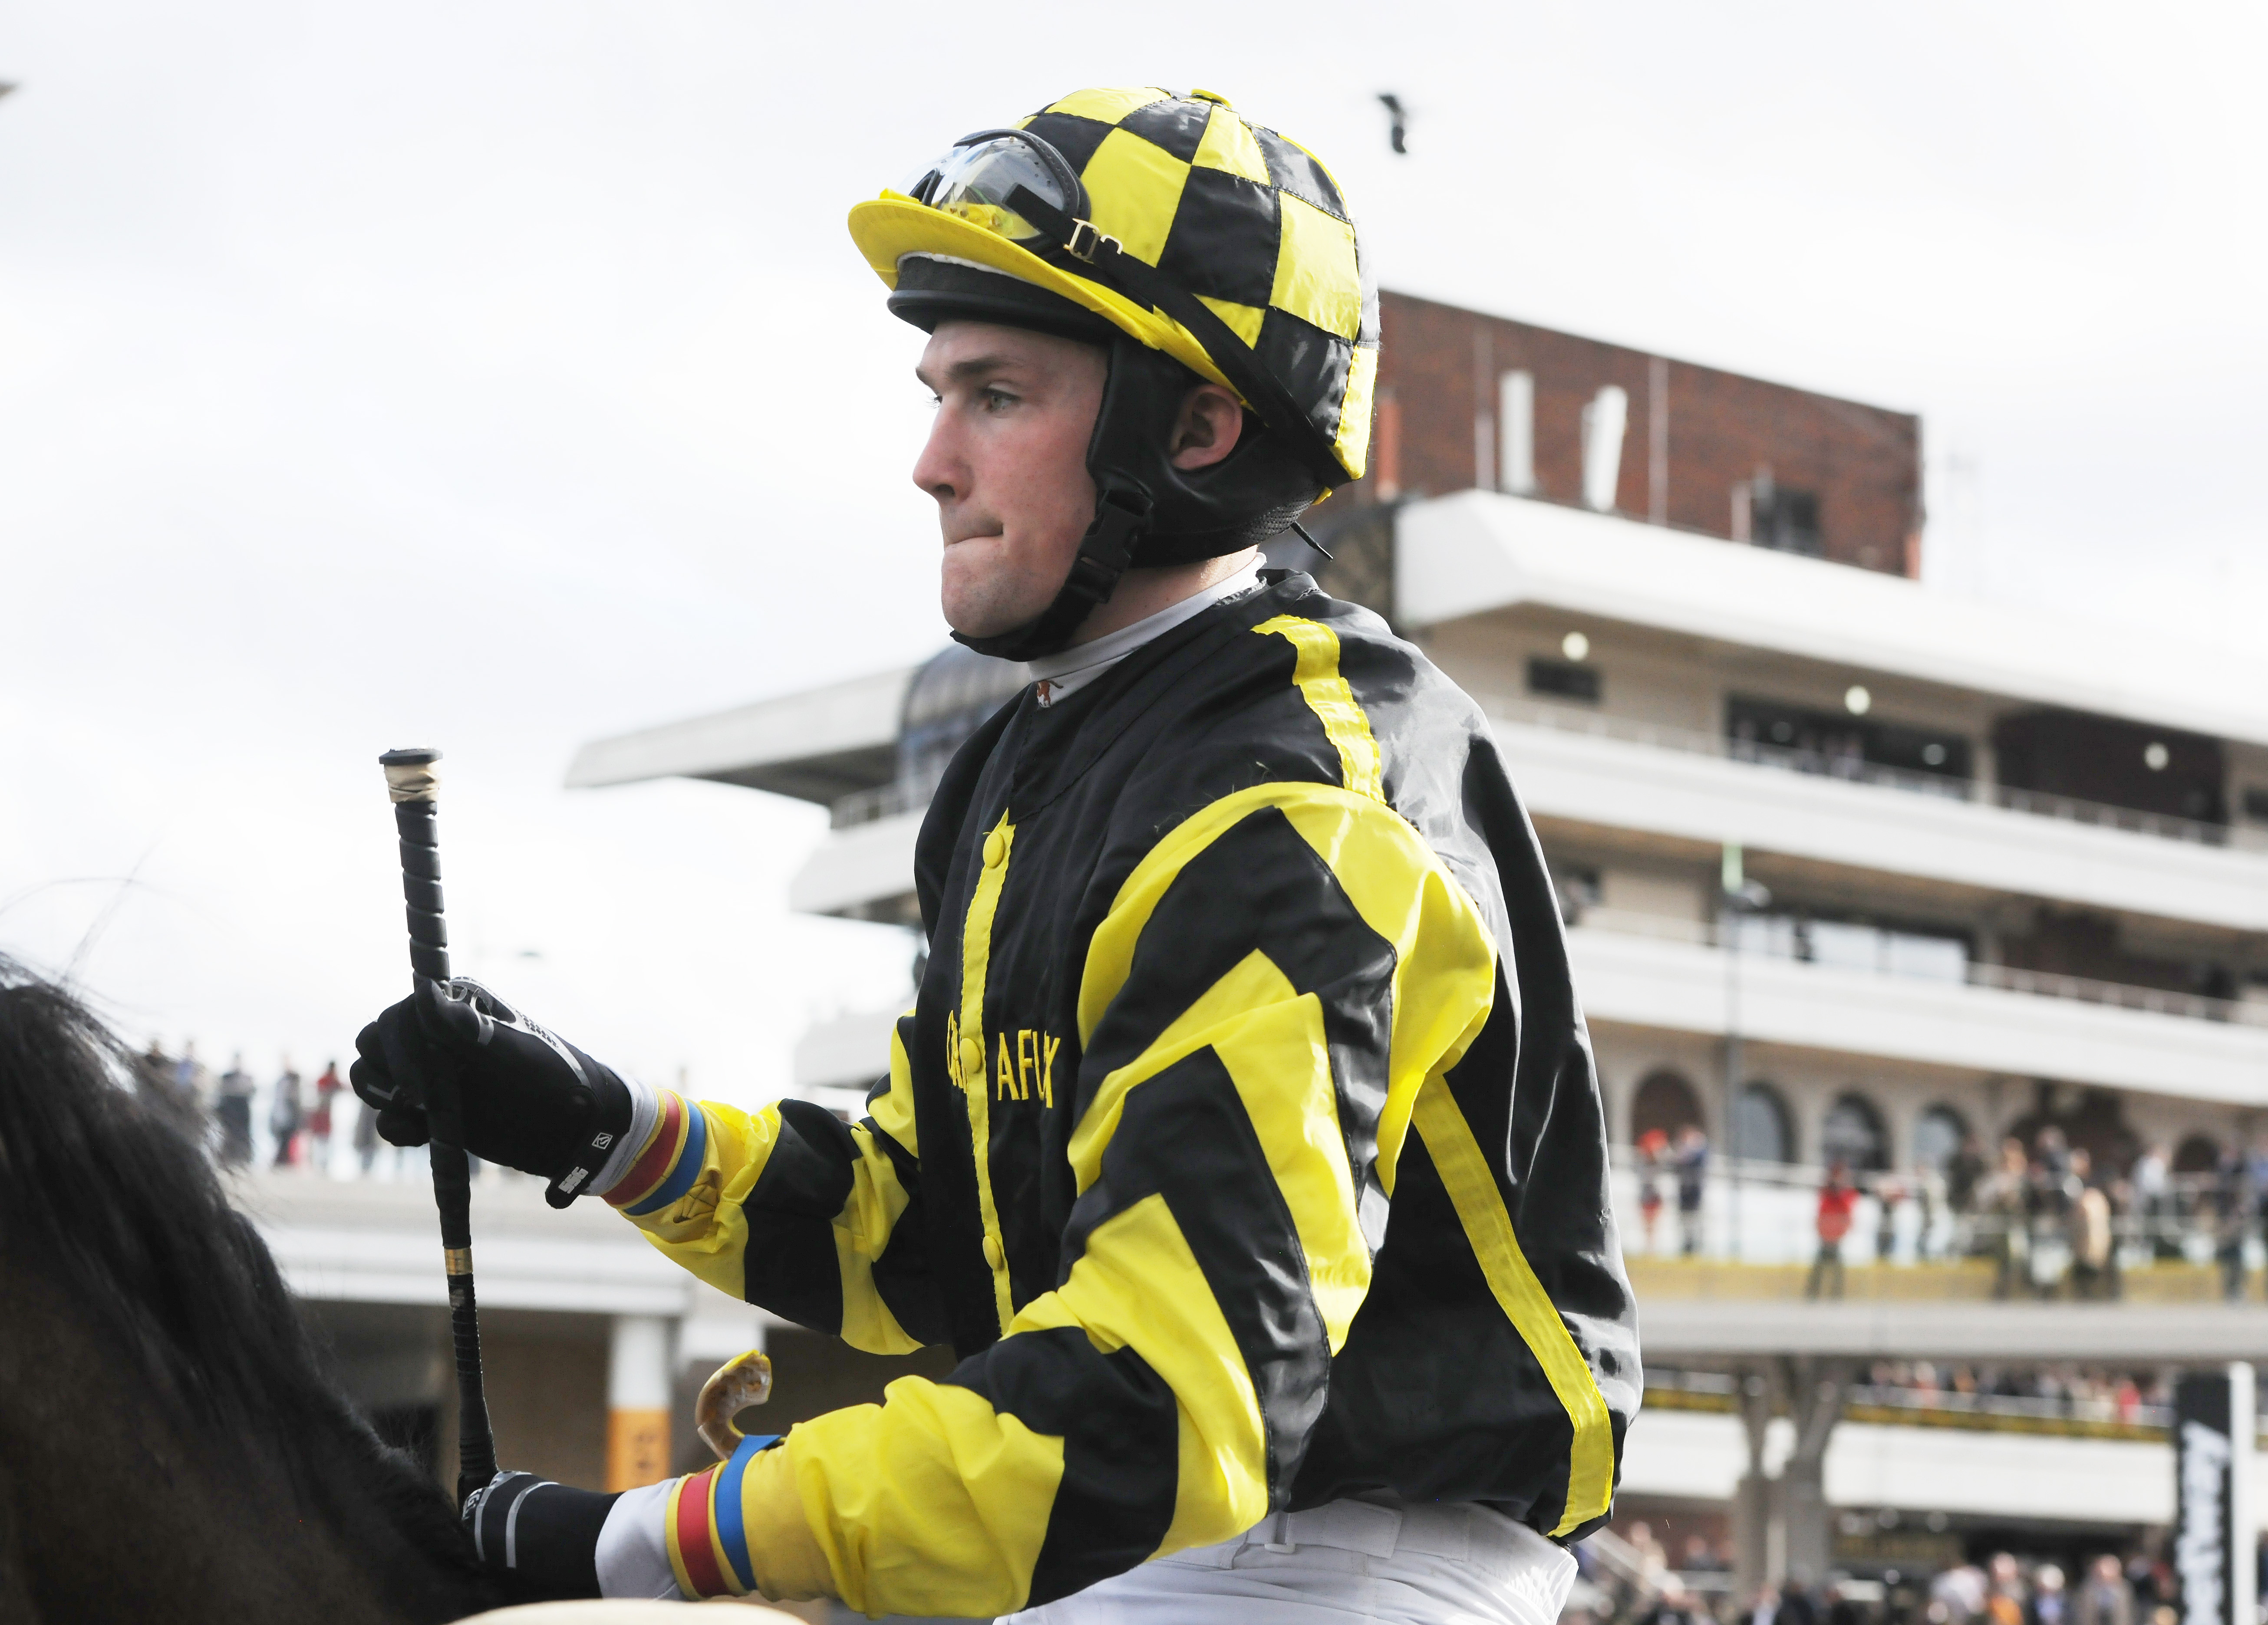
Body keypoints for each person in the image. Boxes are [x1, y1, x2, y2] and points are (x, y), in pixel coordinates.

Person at [349, 86, 1636, 1624]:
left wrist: (643, 1539)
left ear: (1197, 427)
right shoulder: (1028, 762)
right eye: (935, 392)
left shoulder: (1293, 800)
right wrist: (600, 1125)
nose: (930, 462)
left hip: (1336, 1557)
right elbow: (922, 1240)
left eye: (996, 396)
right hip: (1163, 1541)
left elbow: (1165, 1407)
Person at [1807, 1161, 1856, 1299]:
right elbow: (1821, 1212)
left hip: (1836, 1236)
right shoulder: (1826, 1193)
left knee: (1835, 1268)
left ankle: (1835, 1294)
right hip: (1825, 1235)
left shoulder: (1845, 1194)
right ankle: (1814, 1293)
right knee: (1821, 1267)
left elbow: (1848, 1209)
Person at [214, 1053, 255, 1167]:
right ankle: (228, 1159)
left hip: (242, 1111)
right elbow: (221, 1093)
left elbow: (252, 1092)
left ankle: (243, 1160)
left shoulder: (247, 1078)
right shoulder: (227, 1077)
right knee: (228, 1136)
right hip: (230, 1111)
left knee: (242, 1136)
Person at [1674, 1125, 1708, 1257]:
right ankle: (1687, 1246)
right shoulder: (1683, 1152)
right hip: (1685, 1192)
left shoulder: (1699, 1152)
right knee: (1685, 1220)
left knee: (1695, 1219)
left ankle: (1696, 1247)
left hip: (1695, 1192)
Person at [308, 1059, 344, 1174]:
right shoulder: (327, 1080)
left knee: (322, 1140)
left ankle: (321, 1164)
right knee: (320, 1140)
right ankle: (317, 1163)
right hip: (321, 1113)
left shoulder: (329, 1080)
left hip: (324, 1113)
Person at [269, 1057, 303, 1169]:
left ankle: (283, 1163)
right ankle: (281, 1163)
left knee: (287, 1142)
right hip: (281, 1116)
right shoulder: (281, 1083)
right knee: (283, 1142)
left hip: (289, 1117)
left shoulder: (293, 1083)